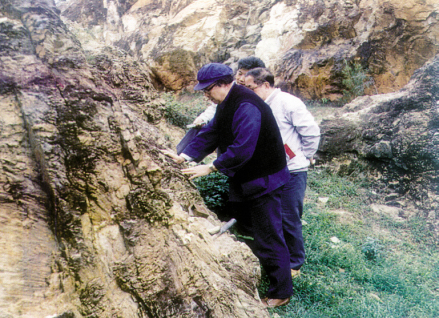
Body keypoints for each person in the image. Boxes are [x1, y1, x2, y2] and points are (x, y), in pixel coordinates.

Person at [163, 63, 293, 308]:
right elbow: (212, 132)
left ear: (223, 84)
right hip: (249, 179)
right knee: (251, 228)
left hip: (264, 180)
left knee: (269, 234)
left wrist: (211, 167)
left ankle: (281, 291)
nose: (205, 94)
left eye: (207, 89)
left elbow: (243, 148)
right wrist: (185, 156)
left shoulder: (246, 106)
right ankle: (263, 270)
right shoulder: (225, 103)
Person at [244, 67, 321, 278]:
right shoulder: (257, 105)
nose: (248, 92)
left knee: (289, 216)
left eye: (251, 87)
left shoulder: (288, 103)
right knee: (272, 214)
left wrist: (304, 155)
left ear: (266, 85)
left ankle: (295, 263)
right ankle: (276, 256)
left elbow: (311, 131)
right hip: (270, 169)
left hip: (293, 170)